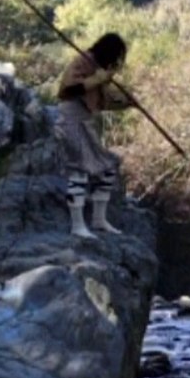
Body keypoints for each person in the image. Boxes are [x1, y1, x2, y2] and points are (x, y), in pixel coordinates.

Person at [56, 32, 133, 238]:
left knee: (108, 167)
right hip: (71, 120)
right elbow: (68, 91)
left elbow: (100, 101)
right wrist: (96, 79)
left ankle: (98, 220)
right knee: (79, 169)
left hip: (84, 121)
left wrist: (126, 101)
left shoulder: (98, 69)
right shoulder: (83, 62)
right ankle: (78, 226)